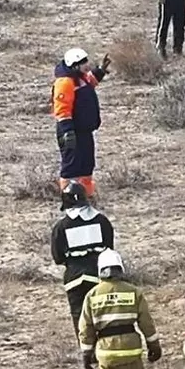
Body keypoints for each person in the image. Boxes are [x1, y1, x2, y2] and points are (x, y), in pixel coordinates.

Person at [78, 250, 160, 369]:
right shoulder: (133, 292)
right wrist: (154, 345)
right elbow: (146, 322)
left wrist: (86, 353)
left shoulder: (92, 295)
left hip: (106, 352)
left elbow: (86, 327)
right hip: (131, 348)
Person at [51, 181, 116, 325]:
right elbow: (110, 249)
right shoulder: (102, 221)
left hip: (74, 278)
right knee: (103, 316)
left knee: (80, 318)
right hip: (99, 276)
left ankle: (86, 346)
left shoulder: (61, 226)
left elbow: (57, 257)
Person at [52, 48, 110, 199]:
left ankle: (86, 197)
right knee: (71, 166)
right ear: (74, 65)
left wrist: (100, 71)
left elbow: (89, 82)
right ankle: (68, 198)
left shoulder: (79, 77)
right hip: (72, 131)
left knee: (86, 164)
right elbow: (62, 110)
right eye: (82, 62)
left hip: (84, 131)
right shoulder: (65, 82)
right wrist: (68, 132)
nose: (86, 64)